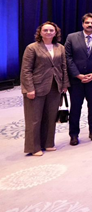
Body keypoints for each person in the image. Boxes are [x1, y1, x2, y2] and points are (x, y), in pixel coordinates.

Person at [21, 22, 69, 156]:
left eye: (51, 30)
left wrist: (65, 84)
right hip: (36, 87)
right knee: (34, 119)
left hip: (55, 86)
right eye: (45, 30)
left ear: (55, 32)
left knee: (50, 117)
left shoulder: (60, 47)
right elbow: (26, 70)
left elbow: (64, 67)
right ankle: (34, 147)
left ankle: (48, 143)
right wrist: (29, 89)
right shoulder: (32, 48)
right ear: (40, 32)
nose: (48, 32)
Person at [65, 13, 92, 145]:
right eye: (87, 22)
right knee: (75, 108)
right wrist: (77, 75)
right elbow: (68, 57)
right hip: (76, 80)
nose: (90, 25)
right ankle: (73, 135)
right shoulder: (72, 37)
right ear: (83, 24)